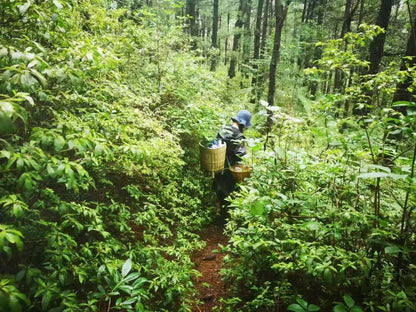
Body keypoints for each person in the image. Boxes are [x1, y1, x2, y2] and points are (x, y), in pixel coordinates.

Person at [213, 110, 252, 214]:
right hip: (229, 171)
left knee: (219, 190)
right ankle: (226, 219)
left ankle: (218, 210)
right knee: (229, 195)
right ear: (242, 123)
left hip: (217, 165)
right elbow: (240, 156)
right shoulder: (239, 137)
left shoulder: (223, 129)